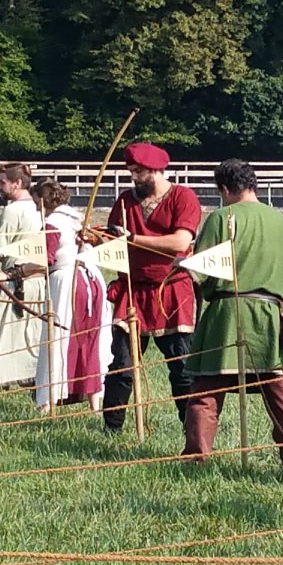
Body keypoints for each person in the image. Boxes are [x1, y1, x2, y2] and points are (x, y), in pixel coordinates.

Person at [181, 159, 283, 471]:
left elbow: (202, 271)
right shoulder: (279, 219)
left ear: (225, 189)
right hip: (269, 314)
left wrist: (187, 267)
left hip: (227, 315)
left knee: (206, 392)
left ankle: (196, 460)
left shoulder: (221, 217)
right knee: (280, 393)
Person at [91, 142, 201, 433]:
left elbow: (180, 242)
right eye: (130, 172)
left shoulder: (183, 197)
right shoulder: (126, 200)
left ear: (155, 169)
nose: (134, 178)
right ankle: (111, 429)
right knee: (122, 366)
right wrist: (95, 240)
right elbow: (113, 240)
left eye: (138, 171)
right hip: (132, 290)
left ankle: (192, 432)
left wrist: (134, 238)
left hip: (172, 290)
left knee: (181, 365)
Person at [32, 180, 112, 411]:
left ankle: (46, 403)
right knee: (87, 340)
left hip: (69, 283)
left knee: (58, 338)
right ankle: (95, 404)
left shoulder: (52, 222)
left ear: (42, 199)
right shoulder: (76, 219)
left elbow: (44, 261)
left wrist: (11, 274)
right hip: (93, 283)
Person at [0, 162, 46, 392]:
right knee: (28, 337)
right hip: (36, 282)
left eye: (3, 182)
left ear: (17, 183)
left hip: (13, 281)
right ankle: (30, 381)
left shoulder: (14, 209)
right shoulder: (38, 207)